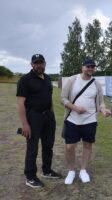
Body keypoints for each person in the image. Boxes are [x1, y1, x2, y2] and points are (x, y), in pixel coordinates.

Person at [60, 58, 111, 185]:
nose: (90, 69)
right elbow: (63, 99)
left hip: (90, 120)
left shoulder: (96, 84)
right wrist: (75, 108)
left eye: (92, 67)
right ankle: (71, 171)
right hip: (72, 119)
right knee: (69, 146)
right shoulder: (72, 80)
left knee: (87, 145)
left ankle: (83, 170)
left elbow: (101, 102)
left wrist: (103, 110)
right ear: (82, 67)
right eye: (88, 66)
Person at [16, 54, 62, 188]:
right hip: (33, 117)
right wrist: (25, 124)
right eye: (36, 63)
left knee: (48, 145)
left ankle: (46, 170)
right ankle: (30, 176)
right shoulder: (25, 80)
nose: (39, 65)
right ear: (31, 65)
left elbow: (49, 97)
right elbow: (20, 103)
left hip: (48, 116)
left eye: (41, 62)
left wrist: (52, 114)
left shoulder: (47, 78)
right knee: (32, 147)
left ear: (45, 64)